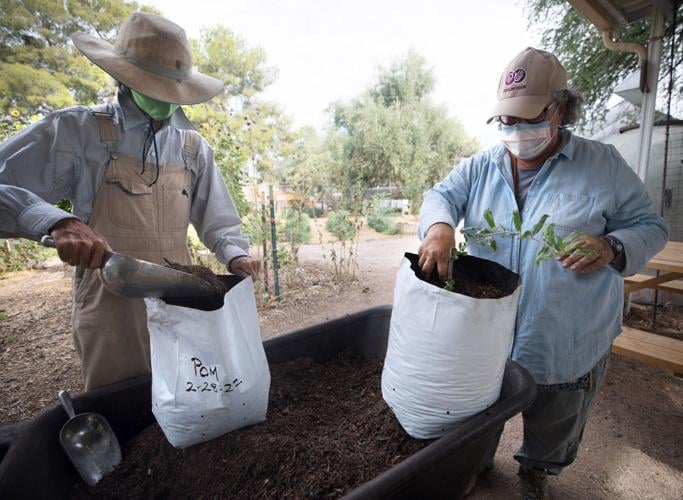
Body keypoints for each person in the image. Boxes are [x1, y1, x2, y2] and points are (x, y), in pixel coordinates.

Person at [418, 47, 668, 499]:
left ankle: (537, 470)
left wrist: (611, 246)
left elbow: (651, 227)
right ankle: (477, 462)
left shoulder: (603, 165)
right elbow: (441, 195)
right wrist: (438, 227)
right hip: (488, 333)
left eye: (529, 117)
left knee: (556, 413)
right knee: (481, 408)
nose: (515, 131)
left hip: (565, 335)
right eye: (506, 120)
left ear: (561, 109)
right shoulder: (480, 167)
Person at [0, 12, 260, 390]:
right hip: (110, 306)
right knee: (121, 408)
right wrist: (56, 222)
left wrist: (235, 254)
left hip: (180, 298)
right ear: (124, 76)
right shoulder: (79, 132)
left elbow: (217, 219)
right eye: (155, 87)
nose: (167, 102)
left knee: (184, 400)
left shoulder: (192, 147)